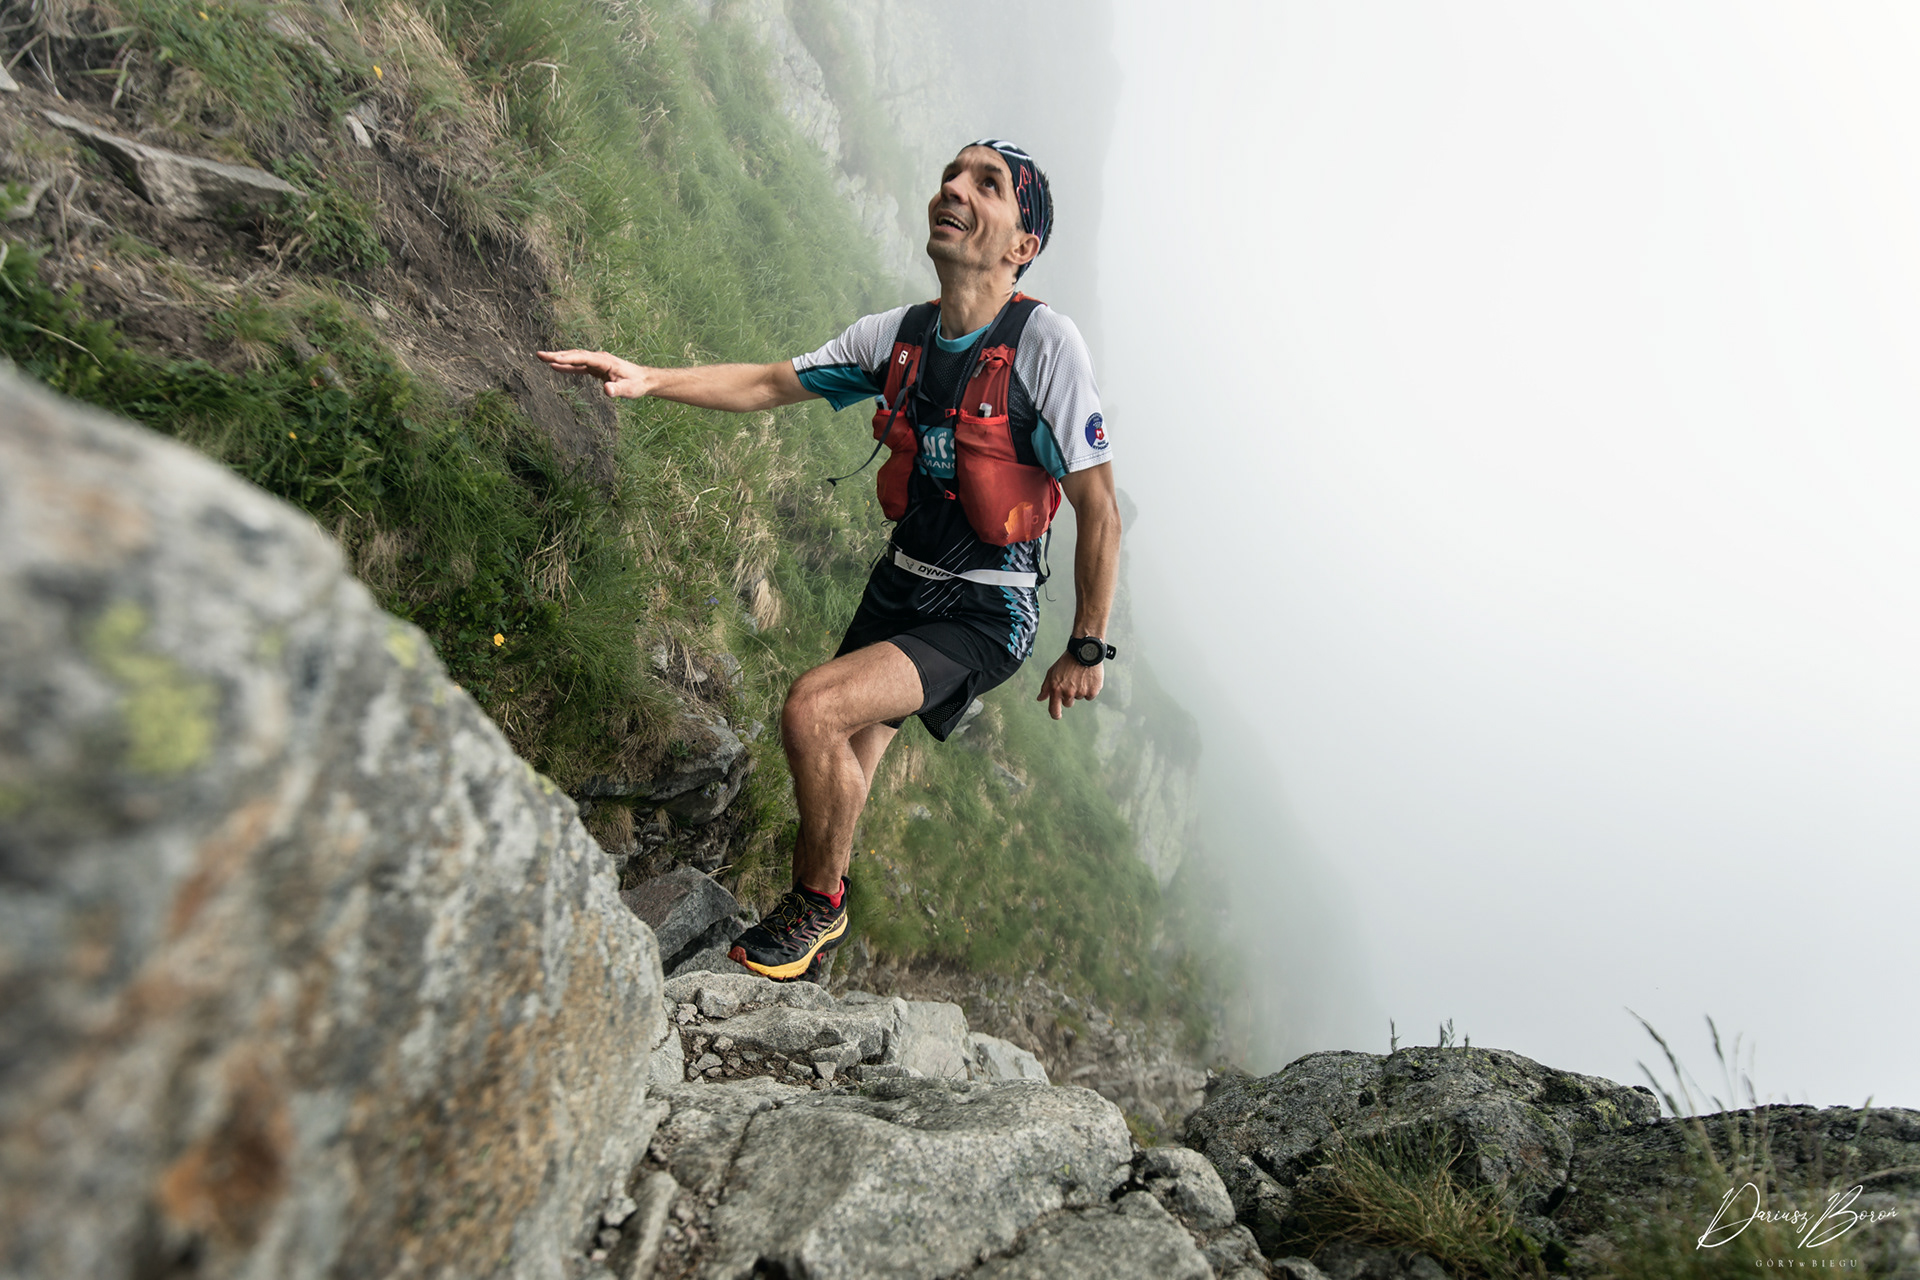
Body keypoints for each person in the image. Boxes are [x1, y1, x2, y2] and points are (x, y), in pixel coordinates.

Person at [538, 139, 1120, 981]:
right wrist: (649, 378)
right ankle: (808, 945)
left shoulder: (1044, 344)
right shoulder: (901, 336)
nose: (953, 189)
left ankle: (818, 903)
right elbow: (771, 383)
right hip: (902, 581)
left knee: (812, 710)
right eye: (951, 176)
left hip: (985, 608)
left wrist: (1087, 645)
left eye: (986, 184)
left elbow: (1099, 506)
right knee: (844, 752)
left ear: (1022, 245)